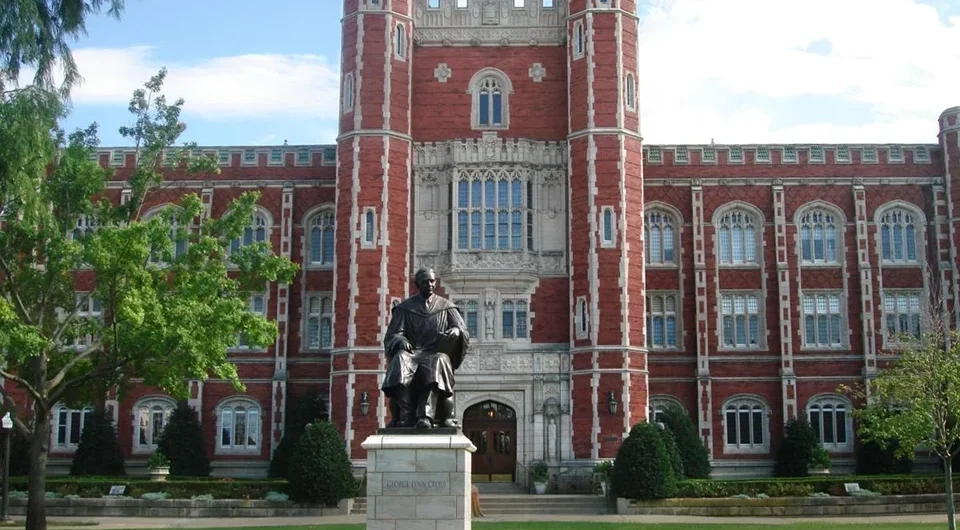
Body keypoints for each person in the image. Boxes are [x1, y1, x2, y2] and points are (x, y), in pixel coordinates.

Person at [382, 267, 469, 429]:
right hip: (412, 352)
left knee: (436, 363)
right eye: (425, 281)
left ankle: (425, 415)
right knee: (401, 359)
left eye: (432, 281)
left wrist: (456, 331)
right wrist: (400, 340)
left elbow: (463, 331)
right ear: (417, 284)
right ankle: (405, 415)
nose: (430, 284)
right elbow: (393, 335)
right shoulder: (405, 308)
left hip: (435, 352)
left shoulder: (446, 307)